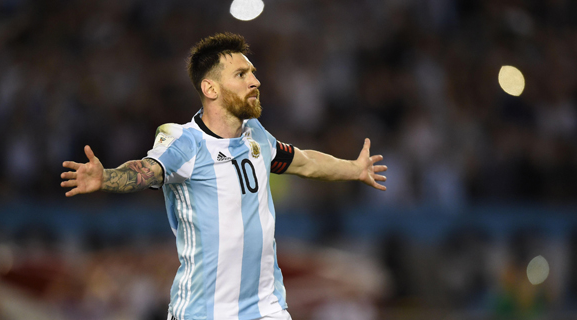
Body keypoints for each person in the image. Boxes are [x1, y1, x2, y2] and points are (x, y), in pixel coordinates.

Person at [61, 32, 387, 320]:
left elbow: (303, 162)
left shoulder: (256, 134)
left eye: (253, 73)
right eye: (241, 74)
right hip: (205, 311)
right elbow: (147, 170)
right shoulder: (185, 142)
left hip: (266, 307)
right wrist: (107, 177)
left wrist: (354, 169)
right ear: (210, 88)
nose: (255, 82)